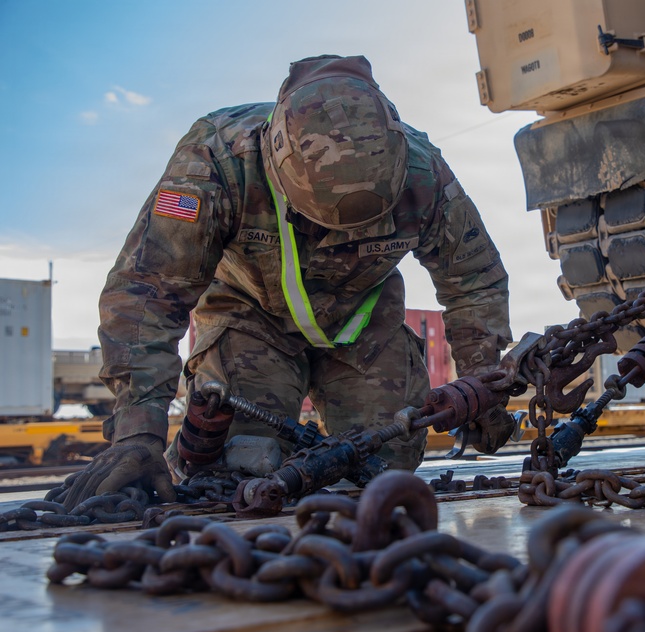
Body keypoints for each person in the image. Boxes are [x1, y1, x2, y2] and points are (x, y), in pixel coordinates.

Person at [64, 55, 513, 508]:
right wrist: (137, 432)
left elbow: (474, 280)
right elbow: (148, 294)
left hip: (362, 323)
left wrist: (480, 382)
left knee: (384, 468)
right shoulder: (215, 163)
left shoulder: (426, 175)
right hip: (249, 317)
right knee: (239, 467)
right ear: (276, 160)